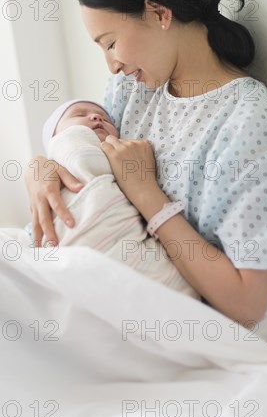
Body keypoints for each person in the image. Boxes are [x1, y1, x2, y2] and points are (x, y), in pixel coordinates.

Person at [24, 0, 267, 327]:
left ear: (159, 13)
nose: (112, 66)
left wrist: (147, 194)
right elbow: (88, 162)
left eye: (110, 43)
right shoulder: (134, 89)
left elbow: (247, 304)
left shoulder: (252, 124)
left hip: (168, 322)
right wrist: (42, 168)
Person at [27, 98, 198, 298]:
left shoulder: (126, 159)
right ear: (53, 138)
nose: (96, 116)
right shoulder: (62, 155)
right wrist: (37, 163)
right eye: (79, 114)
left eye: (106, 119)